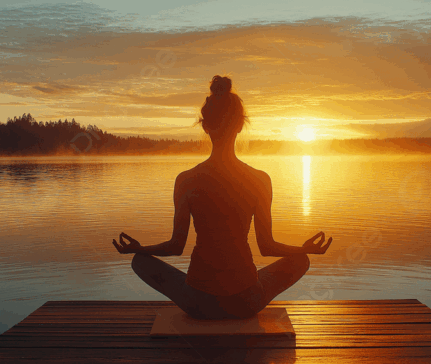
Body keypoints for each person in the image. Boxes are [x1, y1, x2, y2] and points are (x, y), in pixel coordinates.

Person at [113, 75, 332, 319]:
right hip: (247, 300)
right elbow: (267, 247)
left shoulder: (186, 180)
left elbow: (176, 246)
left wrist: (140, 249)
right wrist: (303, 249)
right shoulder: (260, 179)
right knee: (300, 260)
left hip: (197, 302)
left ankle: (200, 285)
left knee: (139, 262)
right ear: (240, 125)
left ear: (205, 126)